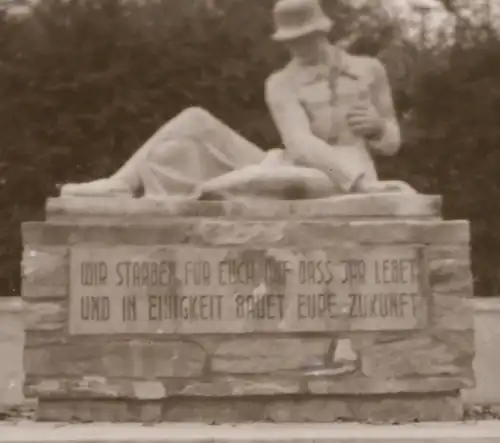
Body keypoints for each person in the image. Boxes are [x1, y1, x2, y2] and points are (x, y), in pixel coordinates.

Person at [61, 0, 415, 199]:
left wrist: (378, 129)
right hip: (307, 166)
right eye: (289, 41)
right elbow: (301, 143)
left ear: (322, 32)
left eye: (303, 38)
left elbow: (393, 142)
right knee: (195, 118)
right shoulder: (281, 83)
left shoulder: (370, 69)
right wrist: (361, 183)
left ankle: (210, 191)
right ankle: (122, 182)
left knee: (265, 182)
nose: (295, 47)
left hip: (339, 178)